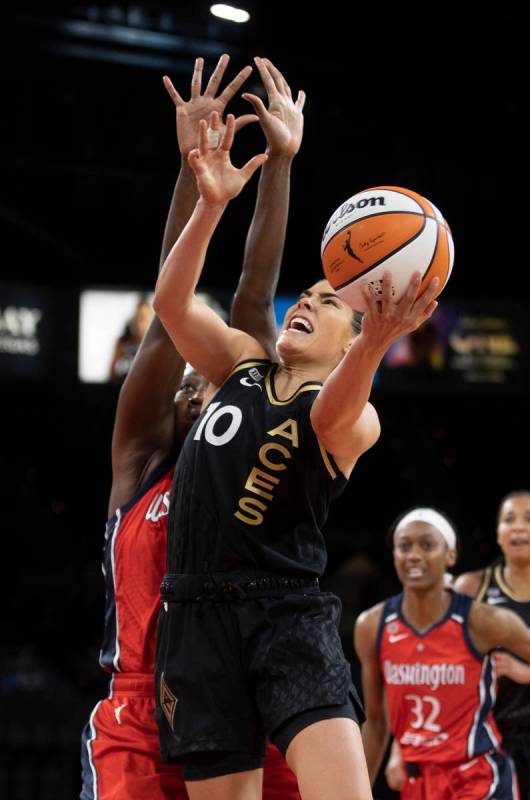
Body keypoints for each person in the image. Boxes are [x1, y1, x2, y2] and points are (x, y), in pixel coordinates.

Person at [152, 63, 440, 798]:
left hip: (287, 610)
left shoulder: (357, 416)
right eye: (302, 295)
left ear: (351, 336)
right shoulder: (241, 365)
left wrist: (376, 340)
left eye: (325, 302)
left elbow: (326, 415)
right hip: (193, 614)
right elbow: (173, 304)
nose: (303, 303)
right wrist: (211, 204)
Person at [80, 53, 303, 800]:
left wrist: (281, 164)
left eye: (208, 375)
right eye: (184, 379)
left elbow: (255, 299)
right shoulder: (140, 463)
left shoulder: (251, 439)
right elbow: (160, 323)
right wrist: (194, 173)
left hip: (245, 695)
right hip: (142, 713)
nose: (193, 379)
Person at [354, 506, 530, 799]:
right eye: (404, 546)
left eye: (427, 545)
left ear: (450, 555)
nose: (413, 555)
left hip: (478, 780)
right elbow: (375, 723)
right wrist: (356, 792)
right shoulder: (373, 626)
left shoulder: (481, 620)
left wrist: (524, 672)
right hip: (418, 783)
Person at [455, 490, 530, 799]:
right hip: (489, 737)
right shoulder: (473, 586)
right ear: (498, 533)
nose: (519, 527)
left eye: (528, 519)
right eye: (509, 519)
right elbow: (447, 663)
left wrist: (524, 672)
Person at [109, 297, 153, 382]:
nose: (139, 325)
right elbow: (111, 374)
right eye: (137, 319)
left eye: (144, 319)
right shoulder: (122, 343)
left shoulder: (156, 346)